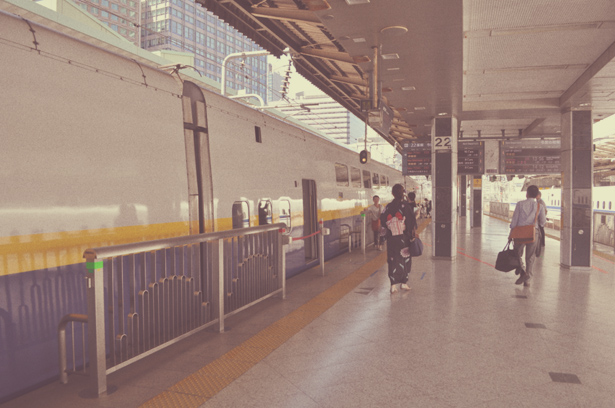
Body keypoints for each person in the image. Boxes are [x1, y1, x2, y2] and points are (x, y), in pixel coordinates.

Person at [381, 184, 417, 293]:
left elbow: (383, 221)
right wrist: (411, 234)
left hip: (392, 237)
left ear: (392, 193)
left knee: (393, 260)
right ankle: (404, 283)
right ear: (403, 193)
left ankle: (393, 286)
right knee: (405, 259)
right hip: (404, 237)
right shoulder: (406, 206)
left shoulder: (388, 206)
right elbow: (411, 222)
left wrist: (385, 236)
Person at [509, 185, 546, 287]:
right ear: (536, 195)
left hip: (520, 233)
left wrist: (511, 233)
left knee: (517, 254)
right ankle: (527, 280)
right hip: (533, 233)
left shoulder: (520, 204)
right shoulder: (539, 206)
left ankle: (523, 272)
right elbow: (543, 222)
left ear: (527, 194)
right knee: (530, 257)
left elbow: (514, 221)